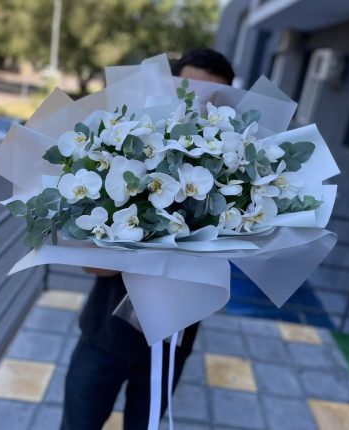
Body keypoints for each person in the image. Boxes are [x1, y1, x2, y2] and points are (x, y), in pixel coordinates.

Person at [60, 48, 234, 430]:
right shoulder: (128, 156)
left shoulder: (231, 181)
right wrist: (145, 242)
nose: (196, 104)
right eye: (188, 90)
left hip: (172, 342)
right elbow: (93, 267)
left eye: (210, 98)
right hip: (105, 336)